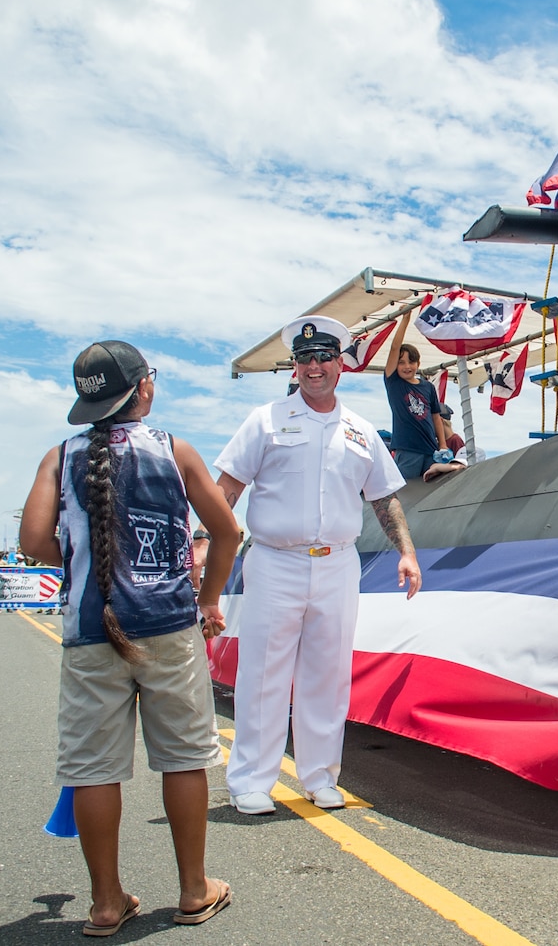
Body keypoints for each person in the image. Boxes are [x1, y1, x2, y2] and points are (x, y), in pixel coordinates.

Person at [19, 339, 240, 935]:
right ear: (144, 387)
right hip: (168, 624)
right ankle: (194, 890)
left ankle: (106, 903)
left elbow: (34, 543)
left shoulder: (59, 457)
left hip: (92, 630)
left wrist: (88, 554)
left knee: (93, 769)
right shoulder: (175, 450)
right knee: (184, 759)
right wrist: (208, 597)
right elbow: (227, 532)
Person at [215, 314, 421, 815]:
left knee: (327, 674)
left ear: (340, 364)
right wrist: (211, 544)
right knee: (263, 673)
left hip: (337, 564)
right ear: (294, 367)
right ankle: (251, 782)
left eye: (323, 356)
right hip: (275, 562)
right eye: (304, 358)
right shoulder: (264, 421)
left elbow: (384, 498)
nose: (313, 366)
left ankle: (320, 777)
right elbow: (226, 490)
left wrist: (407, 553)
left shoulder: (360, 431)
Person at [382, 310, 444, 481]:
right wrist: (405, 319)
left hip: (431, 451)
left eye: (411, 362)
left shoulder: (428, 387)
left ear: (419, 364)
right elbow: (395, 347)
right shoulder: (394, 382)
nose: (407, 366)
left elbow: (436, 417)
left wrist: (443, 445)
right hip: (407, 450)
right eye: (401, 362)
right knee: (406, 494)